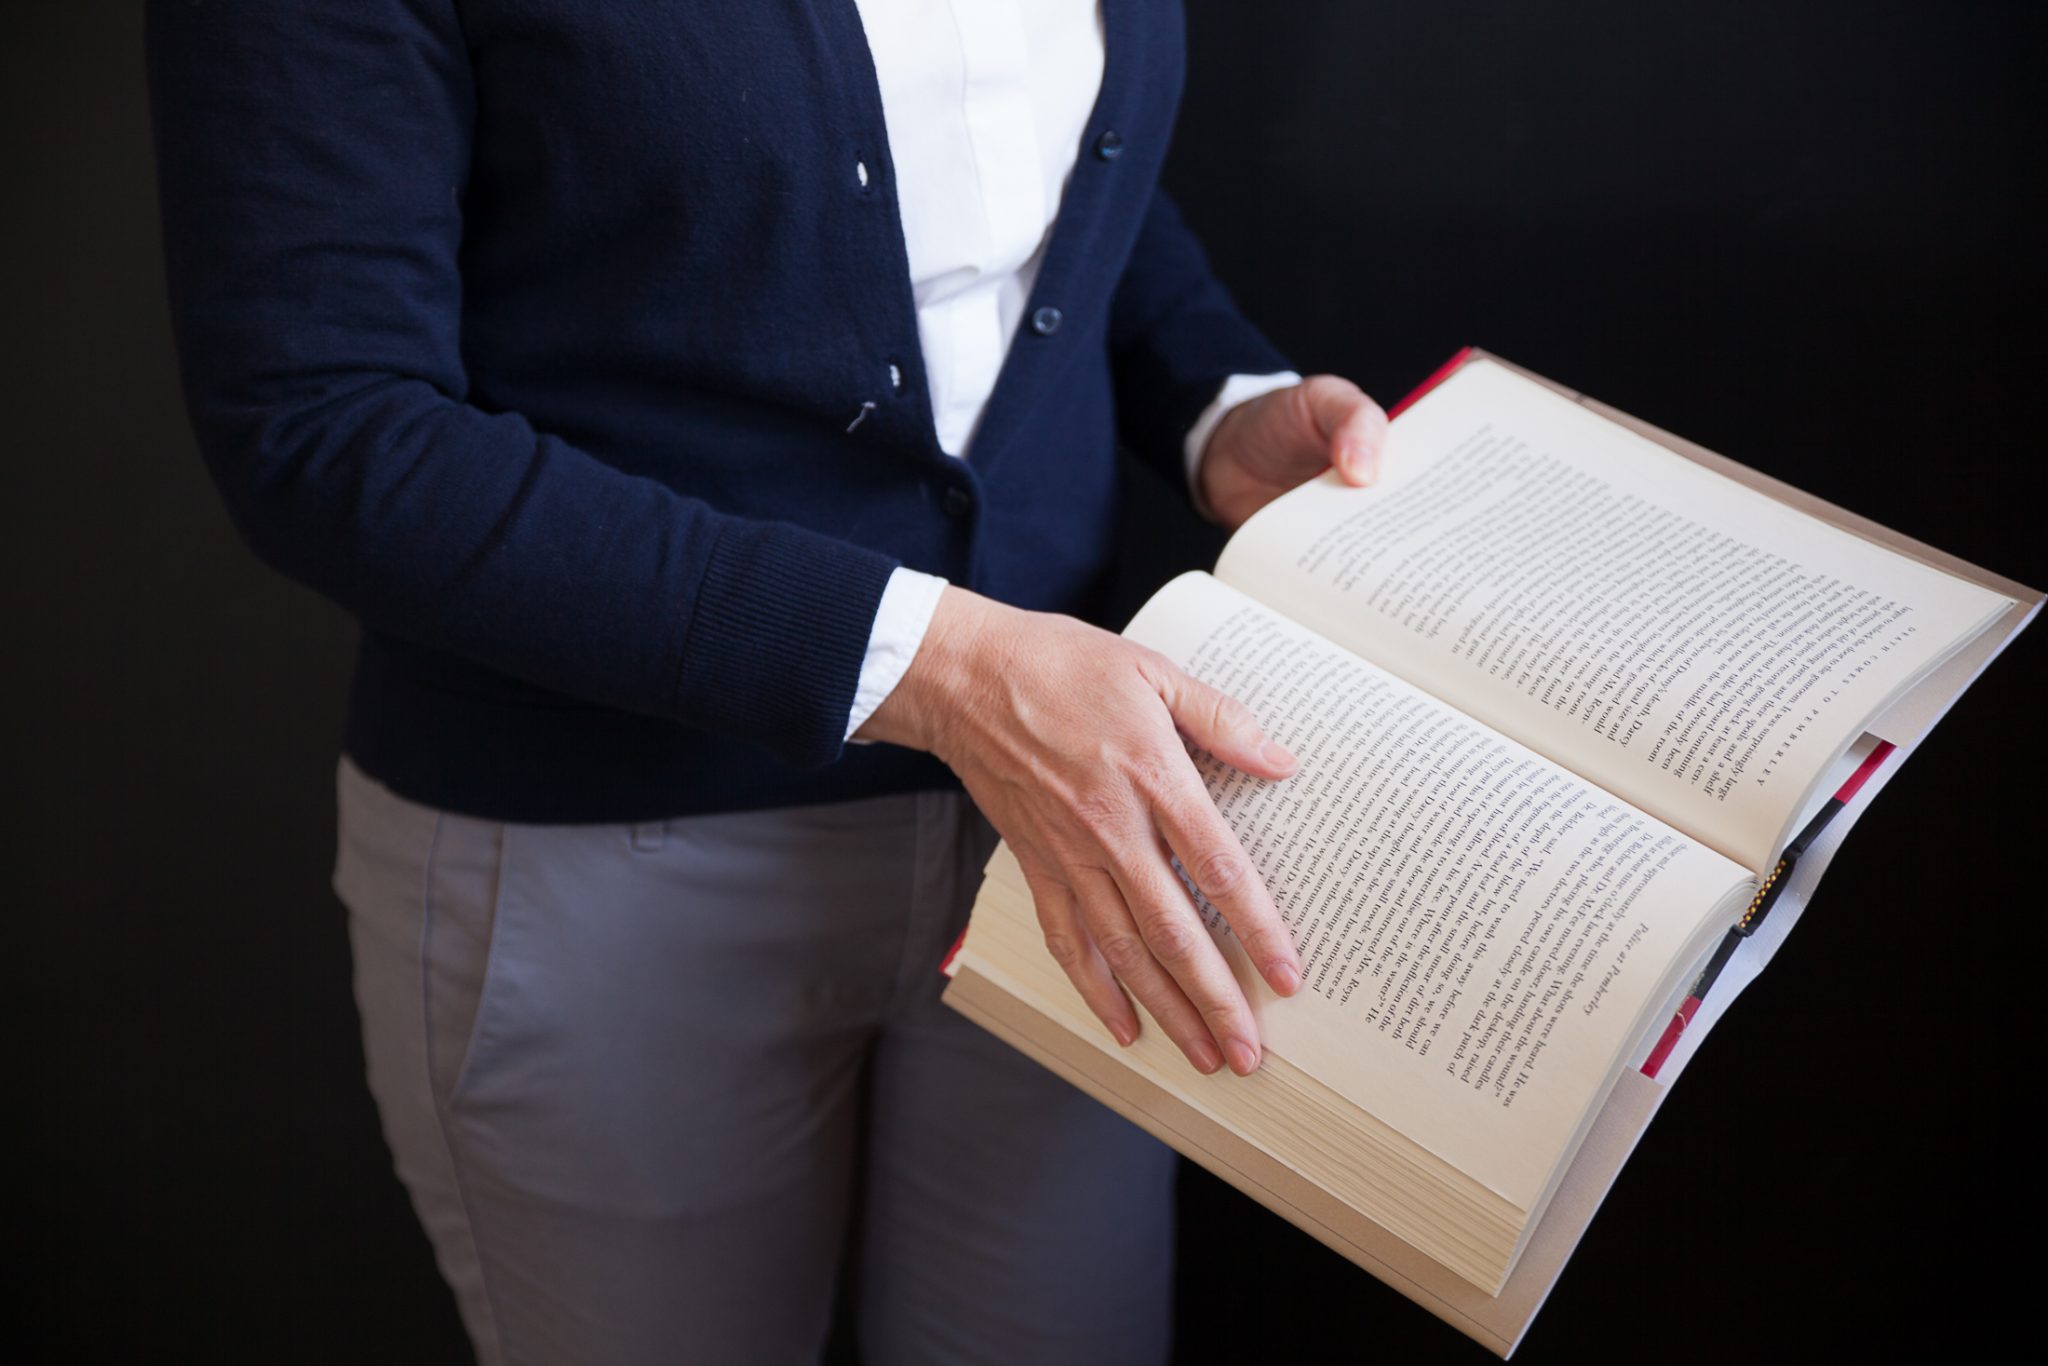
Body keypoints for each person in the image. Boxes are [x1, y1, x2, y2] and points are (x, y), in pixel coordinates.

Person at [147, 2, 1386, 1362]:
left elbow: (1038, 162)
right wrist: (945, 670)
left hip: (1064, 845)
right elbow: (328, 430)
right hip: (607, 851)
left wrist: (1214, 397)